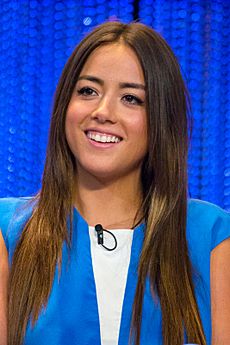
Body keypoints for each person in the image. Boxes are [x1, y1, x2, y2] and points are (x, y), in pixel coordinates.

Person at [0, 21, 229, 345]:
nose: (103, 111)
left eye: (131, 98)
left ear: (162, 118)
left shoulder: (213, 236)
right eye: (88, 91)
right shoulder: (7, 231)